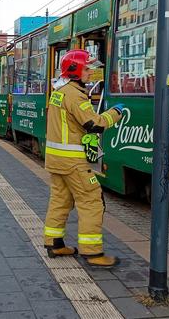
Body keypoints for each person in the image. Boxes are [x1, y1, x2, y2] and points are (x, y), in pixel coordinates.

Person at [43, 49, 124, 268]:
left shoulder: (59, 91)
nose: (91, 73)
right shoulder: (75, 95)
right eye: (87, 68)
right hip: (72, 161)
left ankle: (54, 243)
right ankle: (93, 253)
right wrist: (116, 113)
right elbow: (94, 124)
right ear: (76, 70)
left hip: (55, 159)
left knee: (60, 200)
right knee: (92, 201)